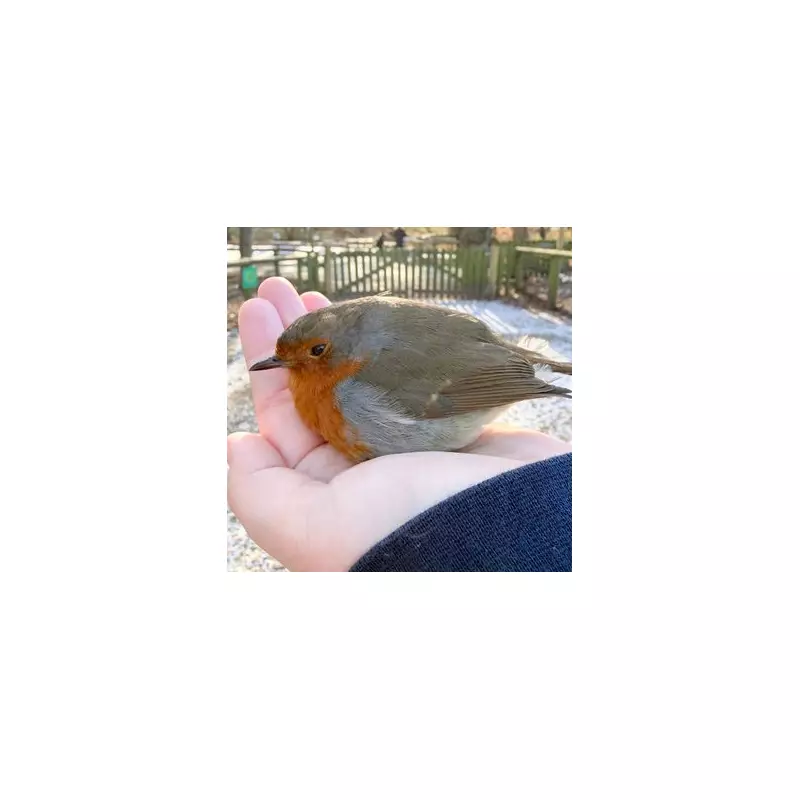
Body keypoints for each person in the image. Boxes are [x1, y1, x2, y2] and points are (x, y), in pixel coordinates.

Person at [227, 277, 572, 572]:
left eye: (316, 351)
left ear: (347, 347)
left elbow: (461, 373)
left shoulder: (358, 385)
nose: (296, 364)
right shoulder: (336, 360)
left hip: (479, 377)